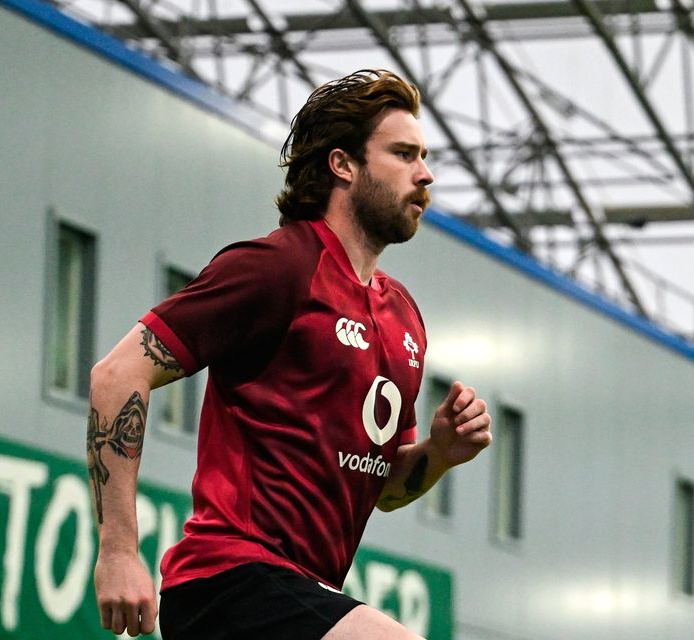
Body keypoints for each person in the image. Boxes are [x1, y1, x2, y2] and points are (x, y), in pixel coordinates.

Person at [88, 69, 493, 639]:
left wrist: (441, 453)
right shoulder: (278, 268)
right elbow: (117, 375)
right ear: (343, 165)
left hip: (302, 595)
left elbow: (387, 488)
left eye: (424, 156)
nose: (425, 174)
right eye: (403, 154)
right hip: (229, 584)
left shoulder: (403, 317)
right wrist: (118, 551)